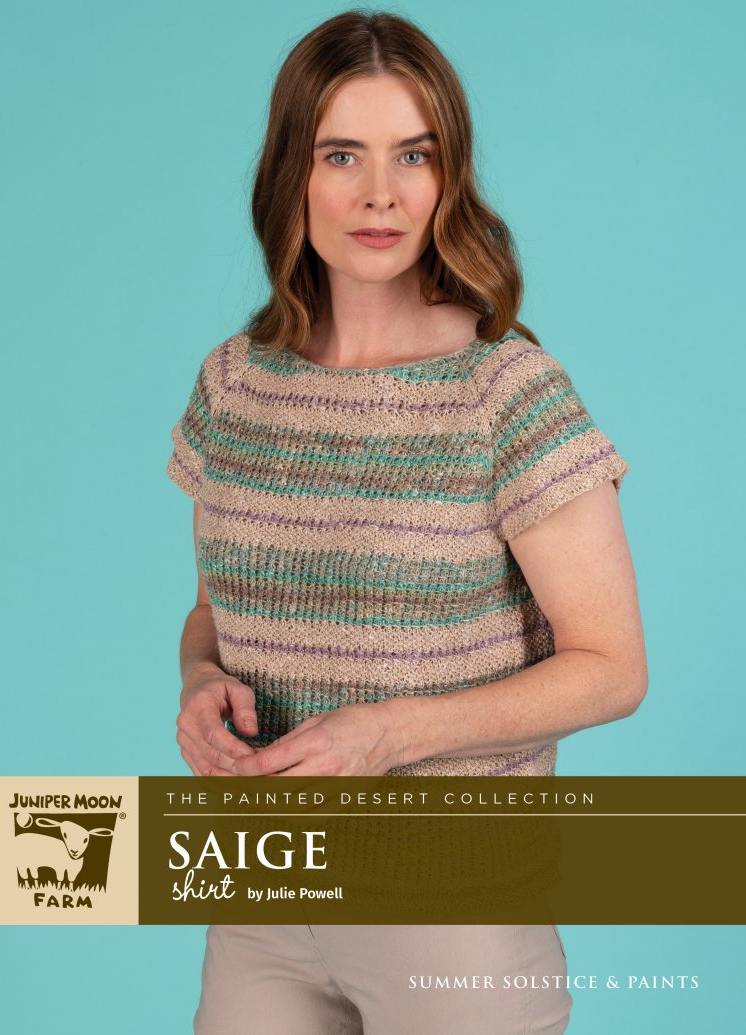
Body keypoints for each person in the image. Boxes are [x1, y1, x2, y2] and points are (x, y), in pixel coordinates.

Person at [166, 10, 647, 1033]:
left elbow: (612, 669)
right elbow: (216, 615)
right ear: (293, 173)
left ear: (448, 176)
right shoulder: (235, 383)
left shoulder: (505, 393)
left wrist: (389, 733)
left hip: (452, 910)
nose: (380, 193)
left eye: (413, 155)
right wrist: (200, 683)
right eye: (342, 154)